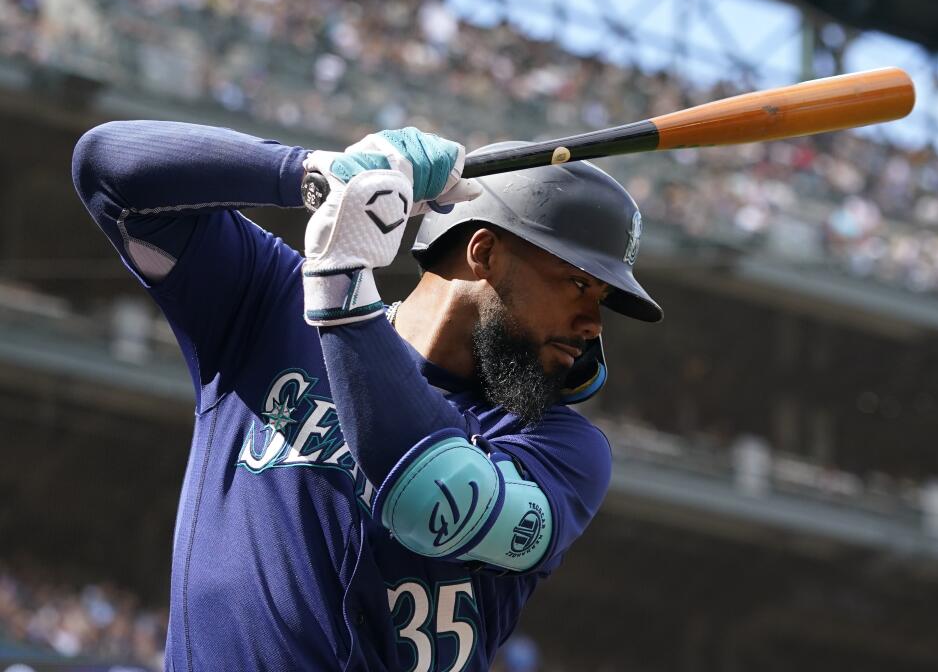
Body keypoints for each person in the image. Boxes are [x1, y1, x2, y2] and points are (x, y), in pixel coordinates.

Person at [71, 121, 662, 671]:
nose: (593, 324)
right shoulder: (272, 307)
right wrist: (313, 173)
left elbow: (428, 497)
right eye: (579, 284)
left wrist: (342, 281)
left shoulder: (563, 447)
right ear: (484, 252)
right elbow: (109, 170)